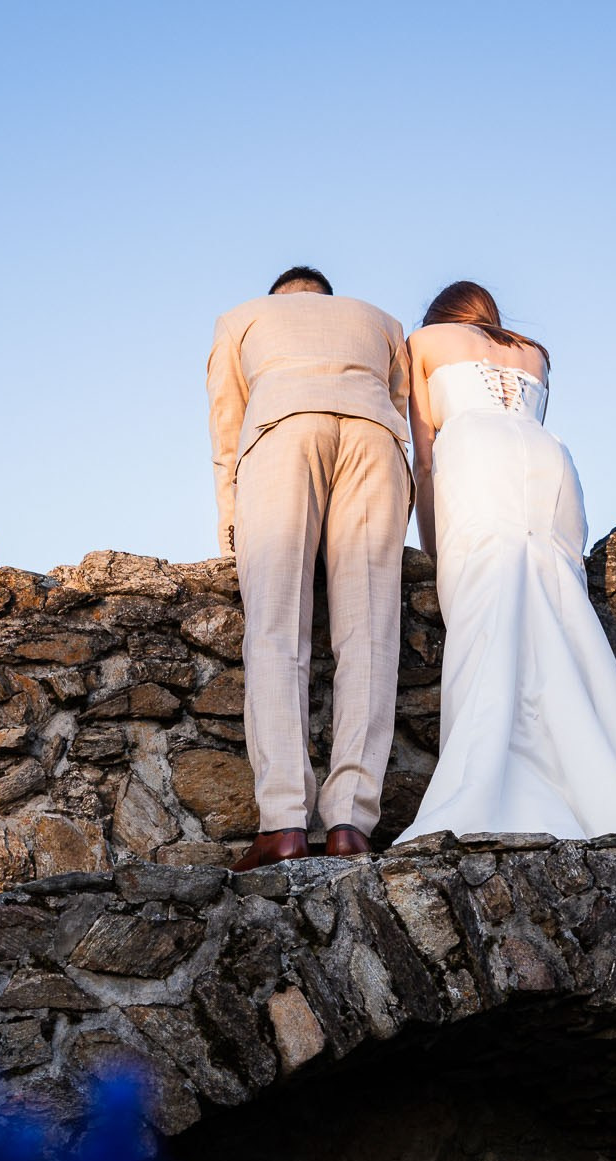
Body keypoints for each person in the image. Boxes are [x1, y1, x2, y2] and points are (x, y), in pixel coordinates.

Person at [395, 281, 616, 847]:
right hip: (549, 462)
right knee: (557, 609)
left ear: (441, 315)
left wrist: (433, 547)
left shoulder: (424, 342)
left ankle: (488, 781)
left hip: (477, 457)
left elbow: (425, 455)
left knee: (485, 605)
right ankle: (595, 784)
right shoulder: (535, 353)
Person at [205, 266, 412, 870]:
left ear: (281, 298)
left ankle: (284, 823)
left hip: (283, 429)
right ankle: (350, 822)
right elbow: (399, 406)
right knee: (370, 636)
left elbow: (226, 427)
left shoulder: (242, 318)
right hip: (374, 436)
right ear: (327, 298)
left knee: (275, 631)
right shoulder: (383, 322)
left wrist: (232, 526)